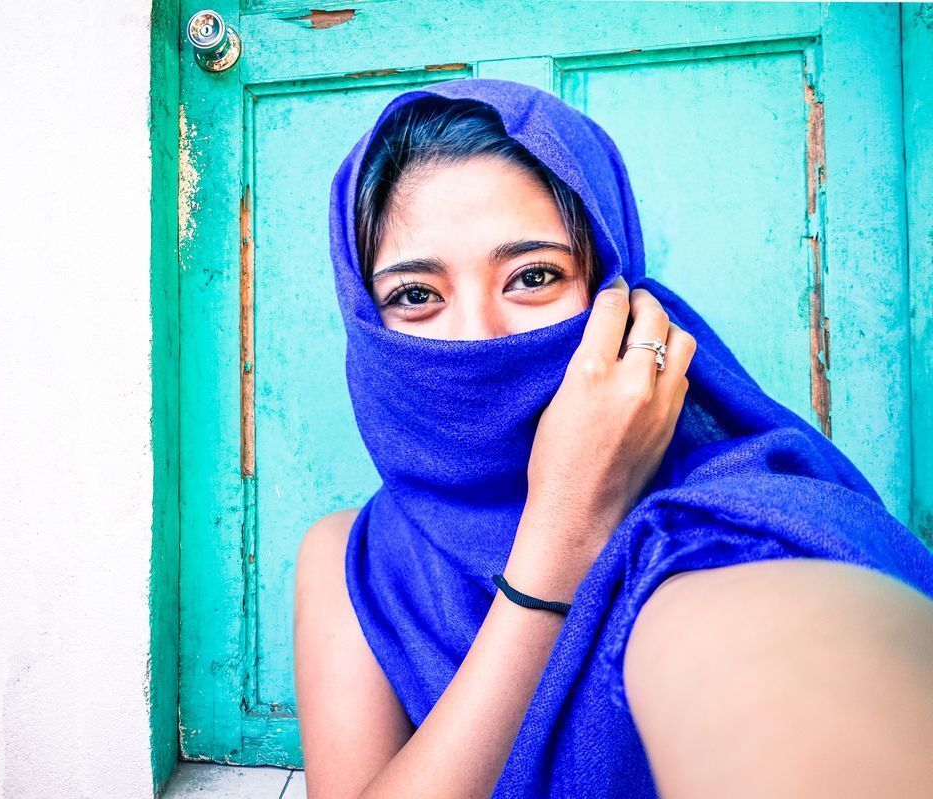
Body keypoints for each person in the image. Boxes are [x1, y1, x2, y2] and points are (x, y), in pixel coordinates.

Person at [293, 78, 933, 798]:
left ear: (616, 295)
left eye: (533, 276)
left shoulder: (721, 526)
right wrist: (562, 533)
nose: (477, 336)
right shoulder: (357, 562)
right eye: (416, 295)